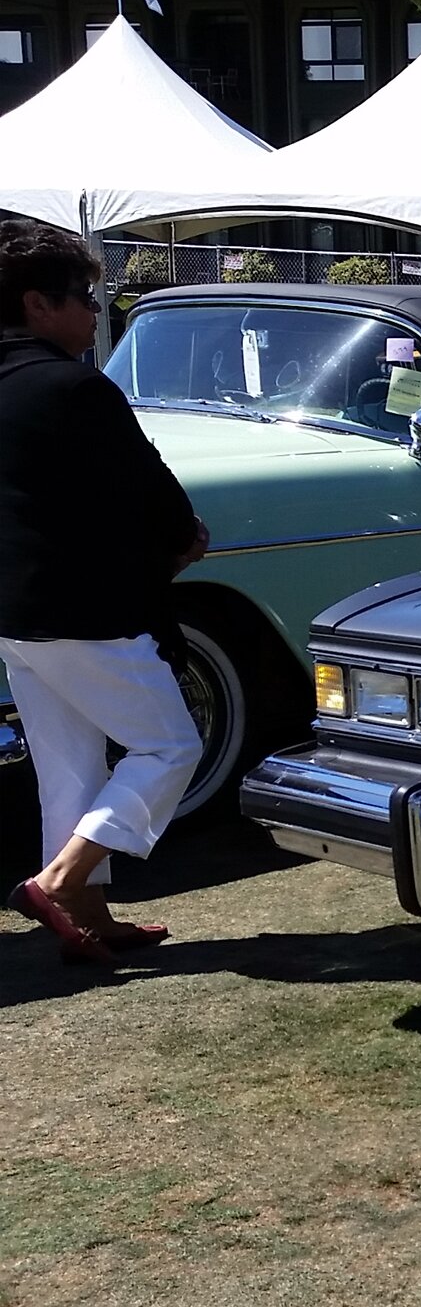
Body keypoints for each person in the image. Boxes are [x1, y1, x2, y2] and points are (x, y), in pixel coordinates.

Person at [0, 220, 205, 965]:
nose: (94, 312)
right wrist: (182, 539)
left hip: (15, 614)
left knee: (69, 769)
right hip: (85, 607)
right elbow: (150, 486)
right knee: (170, 744)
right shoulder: (77, 386)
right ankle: (59, 882)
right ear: (36, 303)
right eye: (83, 298)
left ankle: (87, 916)